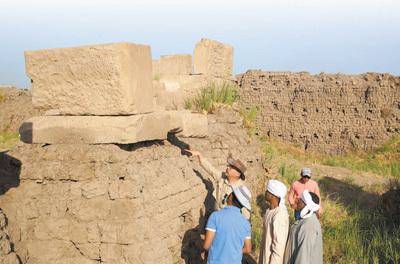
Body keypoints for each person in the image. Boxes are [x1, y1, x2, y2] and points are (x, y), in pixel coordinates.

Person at [187, 149, 251, 219]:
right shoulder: (222, 177)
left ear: (237, 174)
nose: (227, 168)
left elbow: (246, 215)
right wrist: (199, 154)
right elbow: (210, 169)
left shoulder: (240, 190)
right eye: (228, 166)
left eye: (231, 168)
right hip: (216, 217)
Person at [202, 186, 252, 264]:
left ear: (231, 197)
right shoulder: (246, 223)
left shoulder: (215, 216)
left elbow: (206, 245)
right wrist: (234, 251)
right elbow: (248, 249)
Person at [284, 190, 323, 264]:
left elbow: (303, 258)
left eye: (301, 199)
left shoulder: (309, 226)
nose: (297, 200)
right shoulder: (304, 220)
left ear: (306, 204)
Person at [259, 180, 289, 264]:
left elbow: (278, 246)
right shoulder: (270, 211)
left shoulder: (280, 215)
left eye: (268, 191)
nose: (265, 192)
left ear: (274, 196)